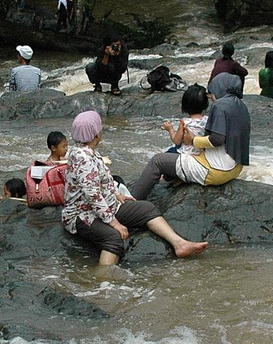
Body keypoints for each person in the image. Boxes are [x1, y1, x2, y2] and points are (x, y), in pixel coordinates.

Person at [61, 111, 207, 266]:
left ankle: (180, 244)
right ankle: (103, 278)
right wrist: (114, 223)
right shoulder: (83, 158)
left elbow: (98, 183)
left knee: (146, 209)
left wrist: (116, 194)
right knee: (114, 238)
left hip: (106, 206)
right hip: (82, 215)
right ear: (96, 134)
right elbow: (93, 195)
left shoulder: (85, 151)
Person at [131, 73, 250, 200]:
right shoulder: (240, 106)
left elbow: (217, 139)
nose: (212, 97)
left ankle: (132, 201)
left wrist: (193, 140)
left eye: (212, 93)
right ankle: (181, 177)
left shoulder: (220, 106)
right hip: (234, 169)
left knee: (157, 161)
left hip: (215, 171)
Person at [162, 84, 209, 155]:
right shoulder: (208, 120)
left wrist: (170, 129)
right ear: (206, 104)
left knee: (168, 152)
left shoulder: (184, 122)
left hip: (186, 154)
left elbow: (177, 141)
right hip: (202, 154)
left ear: (185, 105)